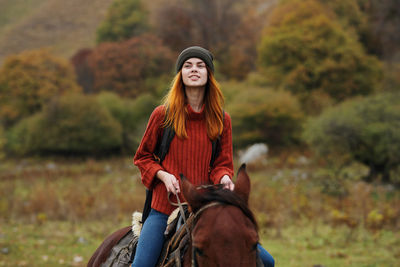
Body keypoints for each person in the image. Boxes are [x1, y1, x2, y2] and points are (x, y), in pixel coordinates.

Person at [133, 46, 274, 267]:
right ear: (180, 75)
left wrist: (224, 178)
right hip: (165, 208)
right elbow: (143, 157)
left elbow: (222, 164)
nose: (194, 70)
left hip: (206, 208)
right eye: (187, 66)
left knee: (267, 261)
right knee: (142, 265)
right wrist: (163, 176)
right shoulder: (162, 115)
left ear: (209, 74)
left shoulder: (221, 119)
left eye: (200, 65)